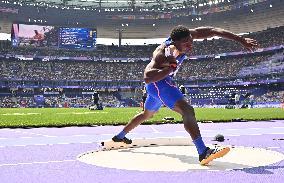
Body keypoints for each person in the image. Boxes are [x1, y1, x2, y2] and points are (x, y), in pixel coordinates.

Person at [112, 25, 258, 165]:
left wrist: (241, 40)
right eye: (185, 43)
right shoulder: (162, 54)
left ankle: (119, 137)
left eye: (190, 40)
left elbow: (214, 30)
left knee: (146, 115)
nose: (190, 44)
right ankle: (203, 151)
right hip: (159, 84)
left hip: (157, 86)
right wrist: (170, 68)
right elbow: (147, 77)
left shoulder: (188, 36)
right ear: (175, 42)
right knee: (187, 110)